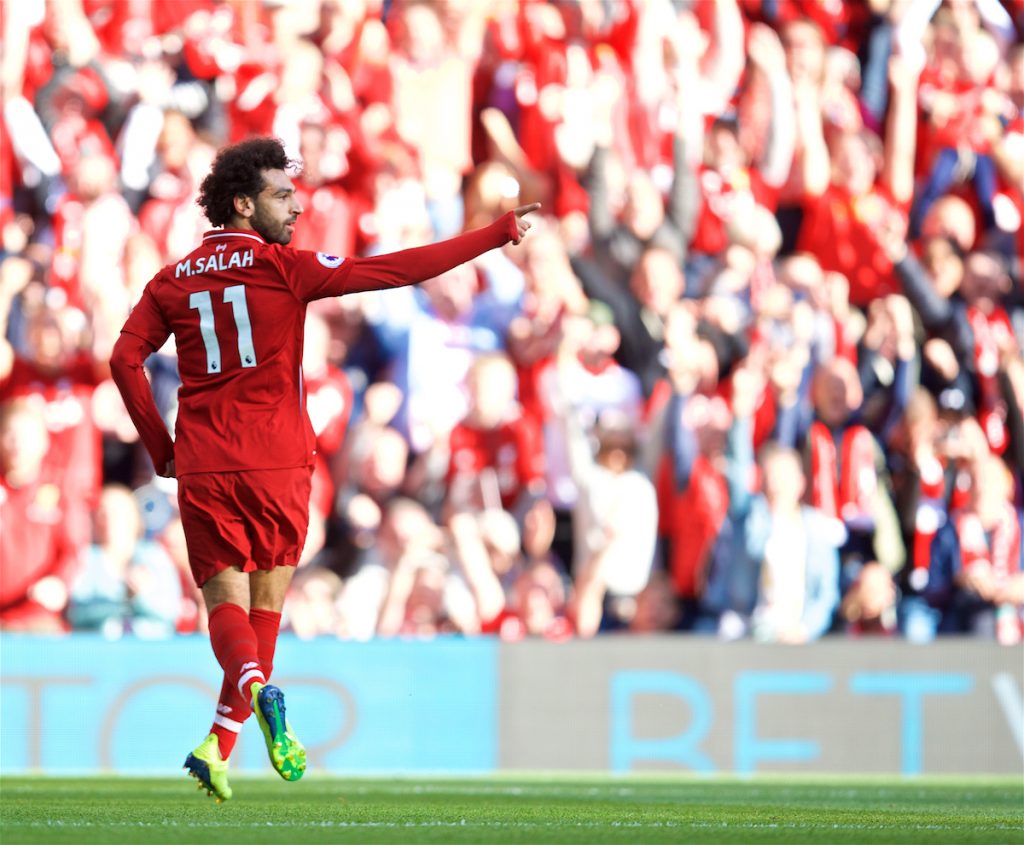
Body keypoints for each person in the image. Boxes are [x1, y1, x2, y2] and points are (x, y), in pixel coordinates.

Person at [109, 136, 539, 802]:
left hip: (204, 460)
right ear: (244, 203)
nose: (298, 206)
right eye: (284, 194)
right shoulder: (290, 269)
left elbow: (124, 360)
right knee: (266, 611)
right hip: (280, 461)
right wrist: (496, 234)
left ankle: (230, 724)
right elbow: (401, 269)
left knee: (224, 603)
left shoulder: (172, 280)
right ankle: (222, 742)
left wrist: (160, 443)